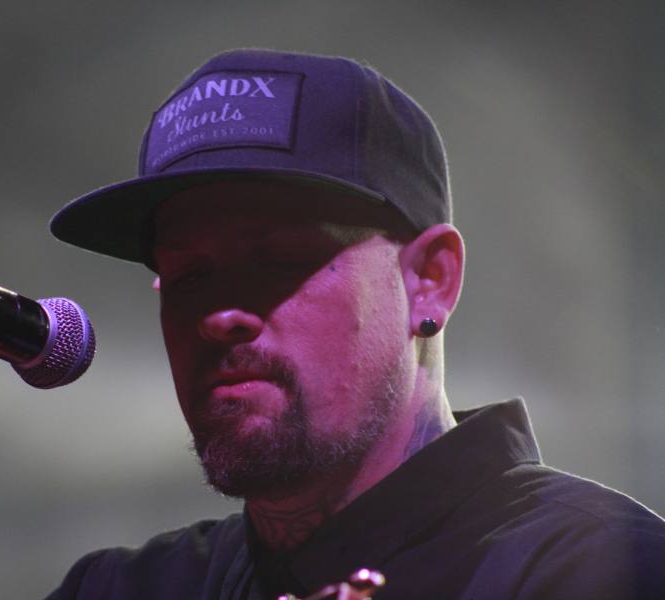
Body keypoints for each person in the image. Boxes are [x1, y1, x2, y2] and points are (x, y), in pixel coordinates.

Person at [43, 49, 665, 599]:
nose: (220, 316)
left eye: (281, 259)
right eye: (189, 275)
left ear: (430, 280)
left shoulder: (604, 570)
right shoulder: (120, 588)